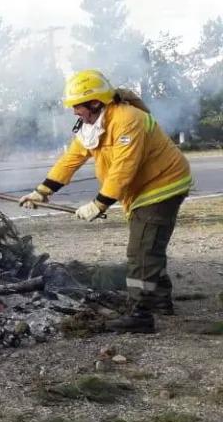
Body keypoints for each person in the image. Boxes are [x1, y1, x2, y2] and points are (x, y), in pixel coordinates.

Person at [19, 70, 192, 333]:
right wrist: (42, 191)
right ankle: (159, 301)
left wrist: (100, 203)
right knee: (149, 245)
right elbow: (71, 159)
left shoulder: (127, 120)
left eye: (77, 106)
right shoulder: (93, 124)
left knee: (141, 252)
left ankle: (140, 316)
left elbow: (124, 168)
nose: (74, 111)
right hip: (141, 189)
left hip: (162, 185)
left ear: (96, 102)